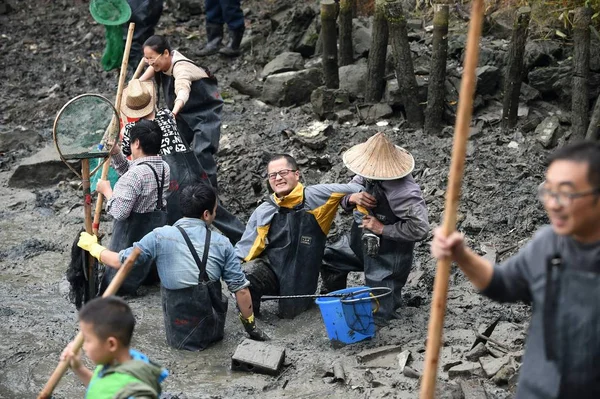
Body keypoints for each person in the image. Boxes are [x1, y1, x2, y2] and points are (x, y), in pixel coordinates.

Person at [430, 141, 600, 398]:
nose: (553, 204)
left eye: (565, 193)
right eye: (548, 191)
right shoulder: (547, 243)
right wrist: (461, 255)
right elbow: (503, 284)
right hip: (537, 389)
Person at [79, 184, 269, 350]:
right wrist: (250, 326)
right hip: (212, 331)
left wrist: (93, 247)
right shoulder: (223, 243)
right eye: (215, 211)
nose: (215, 214)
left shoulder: (160, 236)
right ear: (206, 214)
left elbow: (121, 261)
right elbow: (241, 290)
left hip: (177, 331)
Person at [235, 154, 364, 319]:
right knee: (246, 274)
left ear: (296, 174)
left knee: (292, 316)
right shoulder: (264, 210)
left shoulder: (316, 196)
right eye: (272, 175)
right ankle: (253, 324)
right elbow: (246, 248)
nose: (278, 178)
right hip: (273, 271)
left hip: (301, 274)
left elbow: (357, 189)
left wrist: (349, 198)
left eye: (283, 172)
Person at [119, 77, 246, 244]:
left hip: (167, 174)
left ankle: (187, 251)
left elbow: (127, 152)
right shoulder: (165, 114)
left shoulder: (131, 130)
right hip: (190, 166)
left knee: (174, 216)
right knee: (210, 203)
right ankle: (245, 238)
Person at [321, 133, 429, 325]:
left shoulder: (404, 193)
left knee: (379, 314)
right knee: (331, 258)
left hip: (388, 256)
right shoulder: (368, 172)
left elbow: (420, 229)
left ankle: (383, 323)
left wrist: (382, 228)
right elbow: (350, 187)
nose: (365, 173)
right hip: (360, 242)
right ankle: (333, 304)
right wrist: (352, 197)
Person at [139, 35, 223, 190]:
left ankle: (211, 197)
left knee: (201, 152)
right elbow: (151, 66)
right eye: (146, 59)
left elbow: (182, 91)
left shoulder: (181, 68)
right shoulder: (161, 62)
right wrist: (137, 83)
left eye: (152, 58)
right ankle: (185, 190)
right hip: (184, 115)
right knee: (171, 149)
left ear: (165, 53)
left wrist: (173, 113)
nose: (150, 63)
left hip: (205, 112)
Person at [96, 119, 170, 295]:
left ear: (137, 143)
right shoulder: (163, 167)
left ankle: (120, 287)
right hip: (153, 228)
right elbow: (133, 172)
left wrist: (107, 192)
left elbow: (120, 213)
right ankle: (147, 279)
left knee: (117, 279)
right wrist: (116, 153)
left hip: (131, 234)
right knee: (146, 262)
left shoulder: (135, 176)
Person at [60, 296, 168, 398]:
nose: (84, 346)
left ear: (111, 344)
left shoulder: (135, 389)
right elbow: (102, 388)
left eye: (88, 340)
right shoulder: (112, 363)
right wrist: (78, 368)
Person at [125, 0, 163, 68]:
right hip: (153, 5)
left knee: (133, 39)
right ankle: (147, 66)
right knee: (146, 33)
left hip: (136, 7)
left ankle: (139, 71)